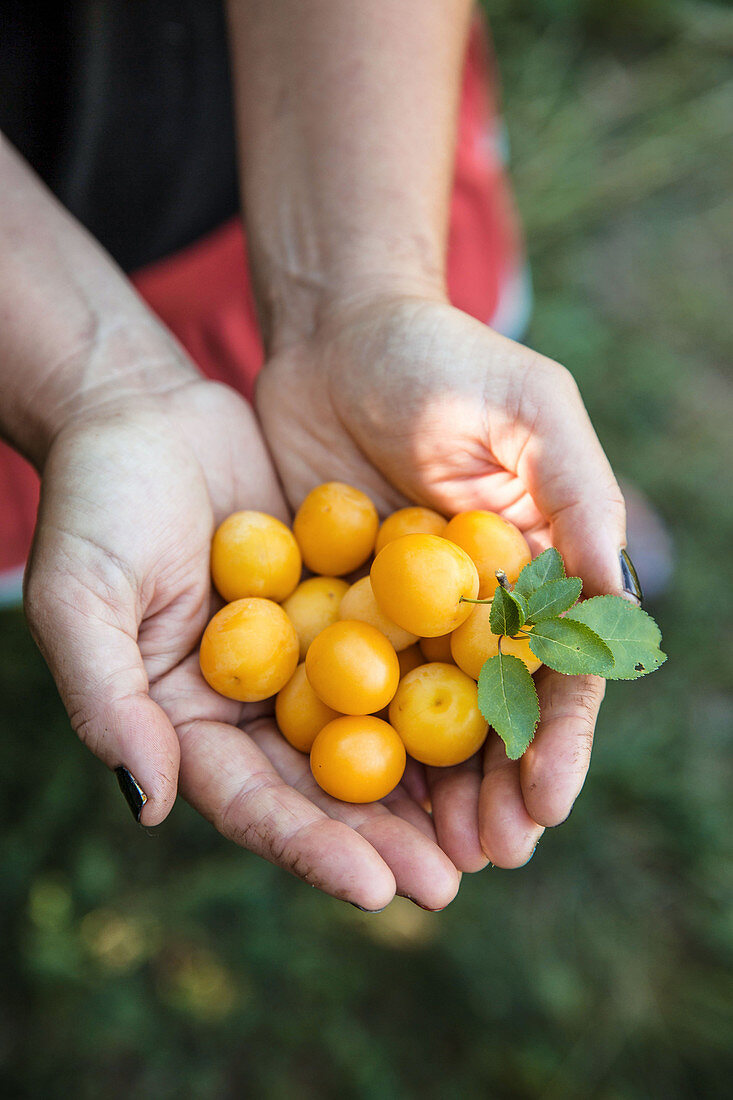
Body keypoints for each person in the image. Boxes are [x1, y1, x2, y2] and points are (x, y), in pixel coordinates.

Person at [0, 1, 644, 912]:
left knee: (473, 444)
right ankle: (577, 525)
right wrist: (90, 391)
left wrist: (360, 292)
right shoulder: (346, 620)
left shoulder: (398, 603)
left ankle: (571, 524)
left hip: (351, 136)